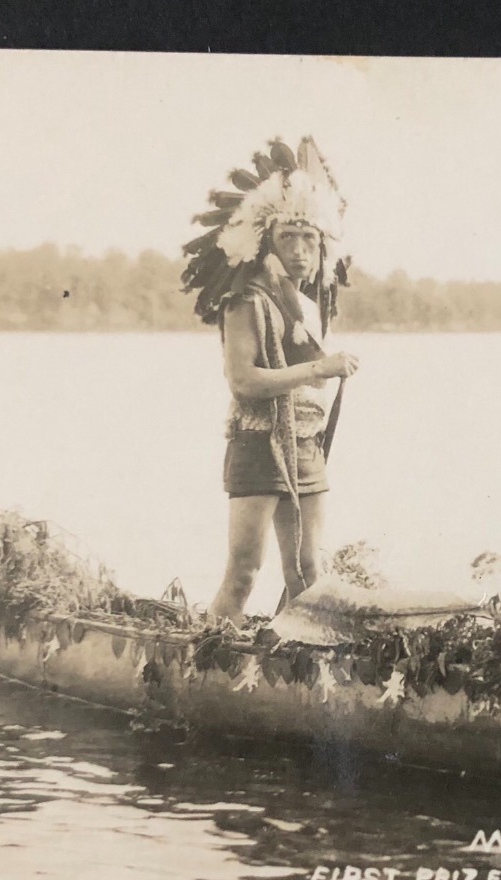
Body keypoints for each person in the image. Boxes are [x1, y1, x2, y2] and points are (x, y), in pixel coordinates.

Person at [181, 138, 360, 626]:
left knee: (307, 572)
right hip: (259, 445)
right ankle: (206, 665)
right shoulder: (247, 300)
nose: (300, 251)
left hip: (306, 448)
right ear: (265, 240)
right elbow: (242, 381)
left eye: (309, 239)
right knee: (243, 573)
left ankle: (301, 668)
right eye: (287, 239)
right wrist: (320, 369)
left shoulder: (309, 305)